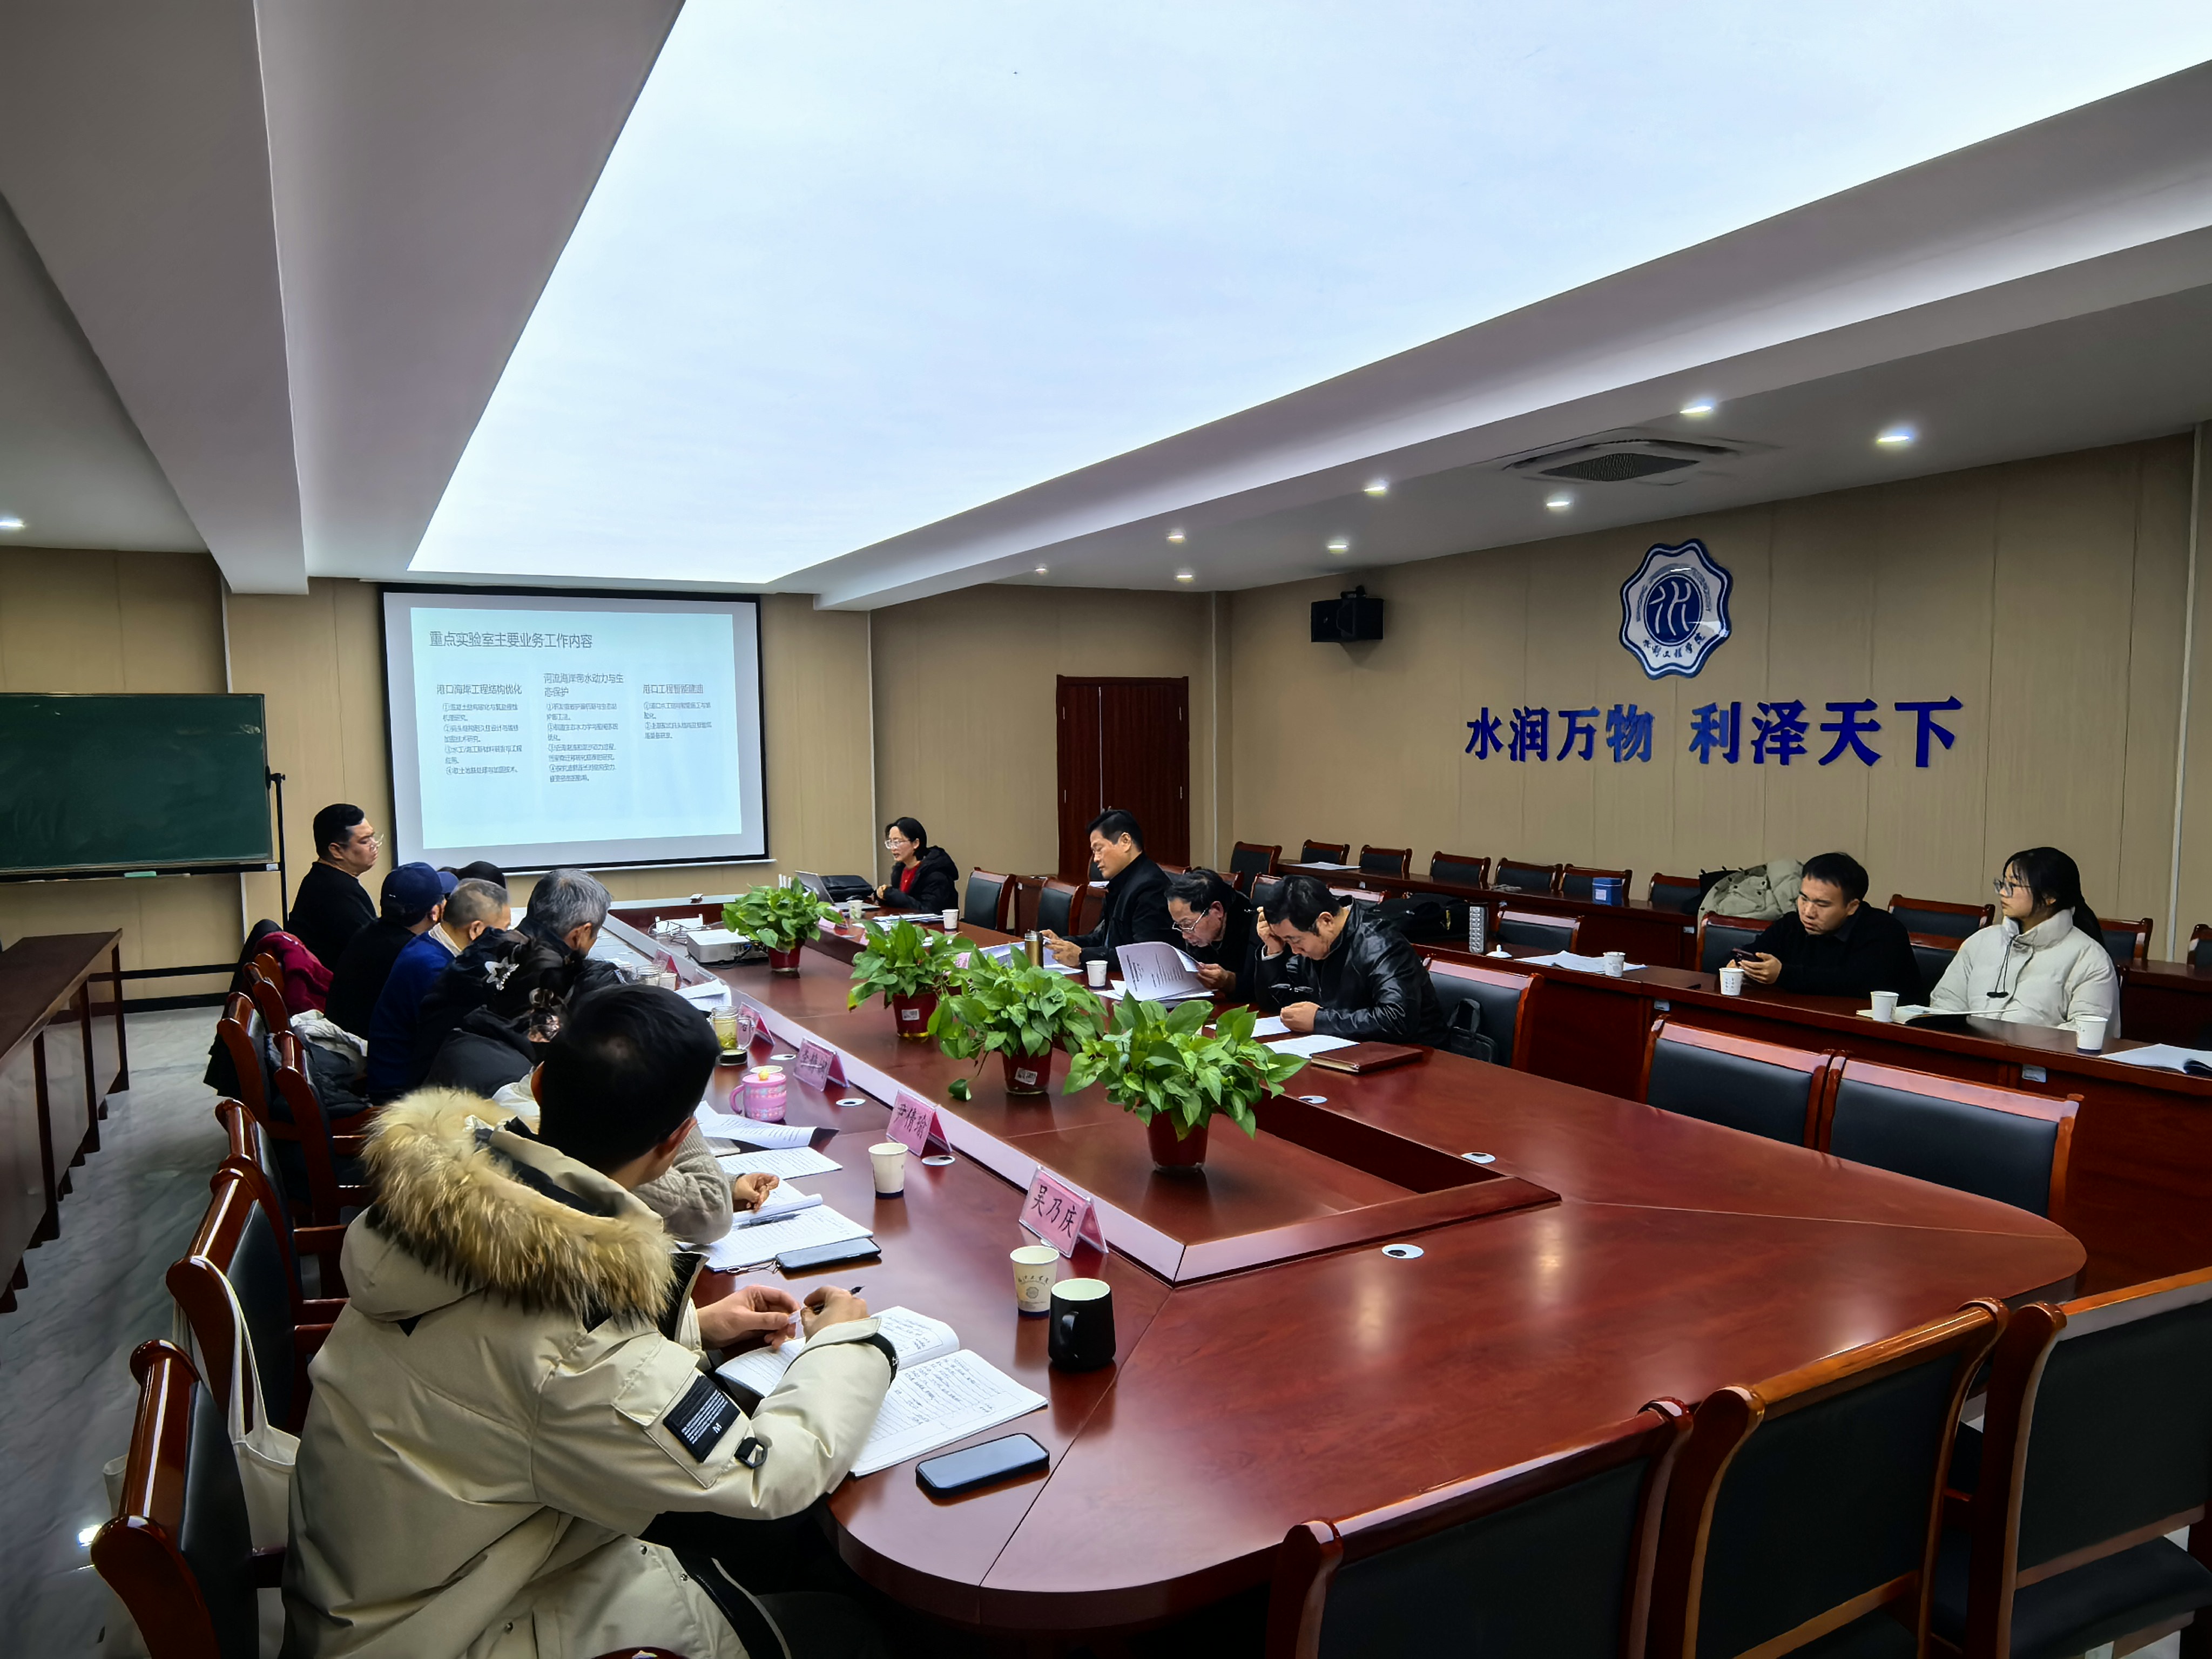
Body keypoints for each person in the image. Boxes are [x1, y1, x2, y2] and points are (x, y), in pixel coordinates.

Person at [284, 984, 895, 1659]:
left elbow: (503, 1373)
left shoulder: (438, 1214)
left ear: (540, 1084)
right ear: (677, 1140)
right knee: (845, 1625)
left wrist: (697, 1328)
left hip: (382, 1585)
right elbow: (766, 1478)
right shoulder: (577, 1342)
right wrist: (846, 1343)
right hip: (450, 1629)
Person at [1928, 847, 2120, 1035]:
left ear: (2049, 896)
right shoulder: (1981, 942)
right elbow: (1946, 1002)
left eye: (2013, 886)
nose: (2003, 893)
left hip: (2035, 1057)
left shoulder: (2089, 958)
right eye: (2002, 884)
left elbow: (2087, 1032)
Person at [1256, 874, 1448, 1047]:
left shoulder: (1382, 944)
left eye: (1295, 941)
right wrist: (1274, 952)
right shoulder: (1315, 943)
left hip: (1418, 1056)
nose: (1294, 951)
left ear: (1326, 921)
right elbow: (1279, 1004)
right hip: (1350, 1050)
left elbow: (1397, 1019)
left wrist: (1320, 1020)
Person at [365, 878, 511, 1100]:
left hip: (406, 1074)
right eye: (505, 929)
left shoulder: (430, 943)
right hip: (402, 1093)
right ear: (476, 930)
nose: (507, 938)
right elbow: (458, 1045)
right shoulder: (437, 970)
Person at [1734, 852, 1922, 1000]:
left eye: (1822, 904)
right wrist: (1739, 965)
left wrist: (1783, 975)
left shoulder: (1884, 931)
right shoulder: (1793, 924)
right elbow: (1751, 951)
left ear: (1852, 907)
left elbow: (1855, 983)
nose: (1808, 912)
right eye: (1804, 898)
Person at [325, 863, 454, 1036]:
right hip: (367, 1047)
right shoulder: (417, 956)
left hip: (343, 1037)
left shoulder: (364, 933)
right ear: (435, 912)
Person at [1044, 809, 1179, 968]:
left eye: (1099, 849)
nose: (1095, 859)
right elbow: (1102, 939)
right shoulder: (1120, 883)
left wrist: (1082, 956)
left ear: (1125, 842)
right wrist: (1061, 943)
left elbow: (1144, 956)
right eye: (1094, 852)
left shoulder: (1151, 887)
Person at [285, 804, 380, 971]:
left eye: (373, 837)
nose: (375, 845)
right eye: (365, 841)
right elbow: (374, 951)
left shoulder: (324, 878)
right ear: (336, 851)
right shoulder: (335, 892)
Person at [1166, 868, 1260, 1000]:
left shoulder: (1256, 930)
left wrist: (1230, 982)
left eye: (1187, 925)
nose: (1185, 935)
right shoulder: (1200, 933)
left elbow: (1264, 989)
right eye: (1180, 926)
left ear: (1217, 910)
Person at [874, 817, 959, 914]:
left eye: (897, 842)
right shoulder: (900, 870)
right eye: (890, 843)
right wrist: (883, 896)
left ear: (916, 843)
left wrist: (894, 895)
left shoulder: (935, 874)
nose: (893, 848)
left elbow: (930, 911)